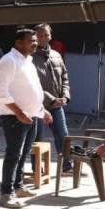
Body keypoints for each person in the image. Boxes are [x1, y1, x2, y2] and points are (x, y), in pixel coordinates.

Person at [0, 28, 53, 209]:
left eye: (35, 40)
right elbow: (0, 91)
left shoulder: (28, 61)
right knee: (13, 154)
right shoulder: (8, 61)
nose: (35, 43)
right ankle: (6, 193)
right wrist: (19, 113)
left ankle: (18, 187)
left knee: (23, 153)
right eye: (31, 41)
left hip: (32, 115)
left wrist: (42, 110)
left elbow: (33, 89)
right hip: (14, 117)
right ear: (18, 43)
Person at [32, 23, 72, 172]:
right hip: (37, 105)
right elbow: (31, 84)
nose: (43, 38)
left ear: (50, 36)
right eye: (39, 35)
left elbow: (65, 77)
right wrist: (51, 99)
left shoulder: (56, 55)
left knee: (63, 135)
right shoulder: (30, 56)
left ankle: (67, 166)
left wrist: (65, 96)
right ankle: (37, 168)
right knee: (37, 138)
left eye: (46, 35)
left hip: (57, 105)